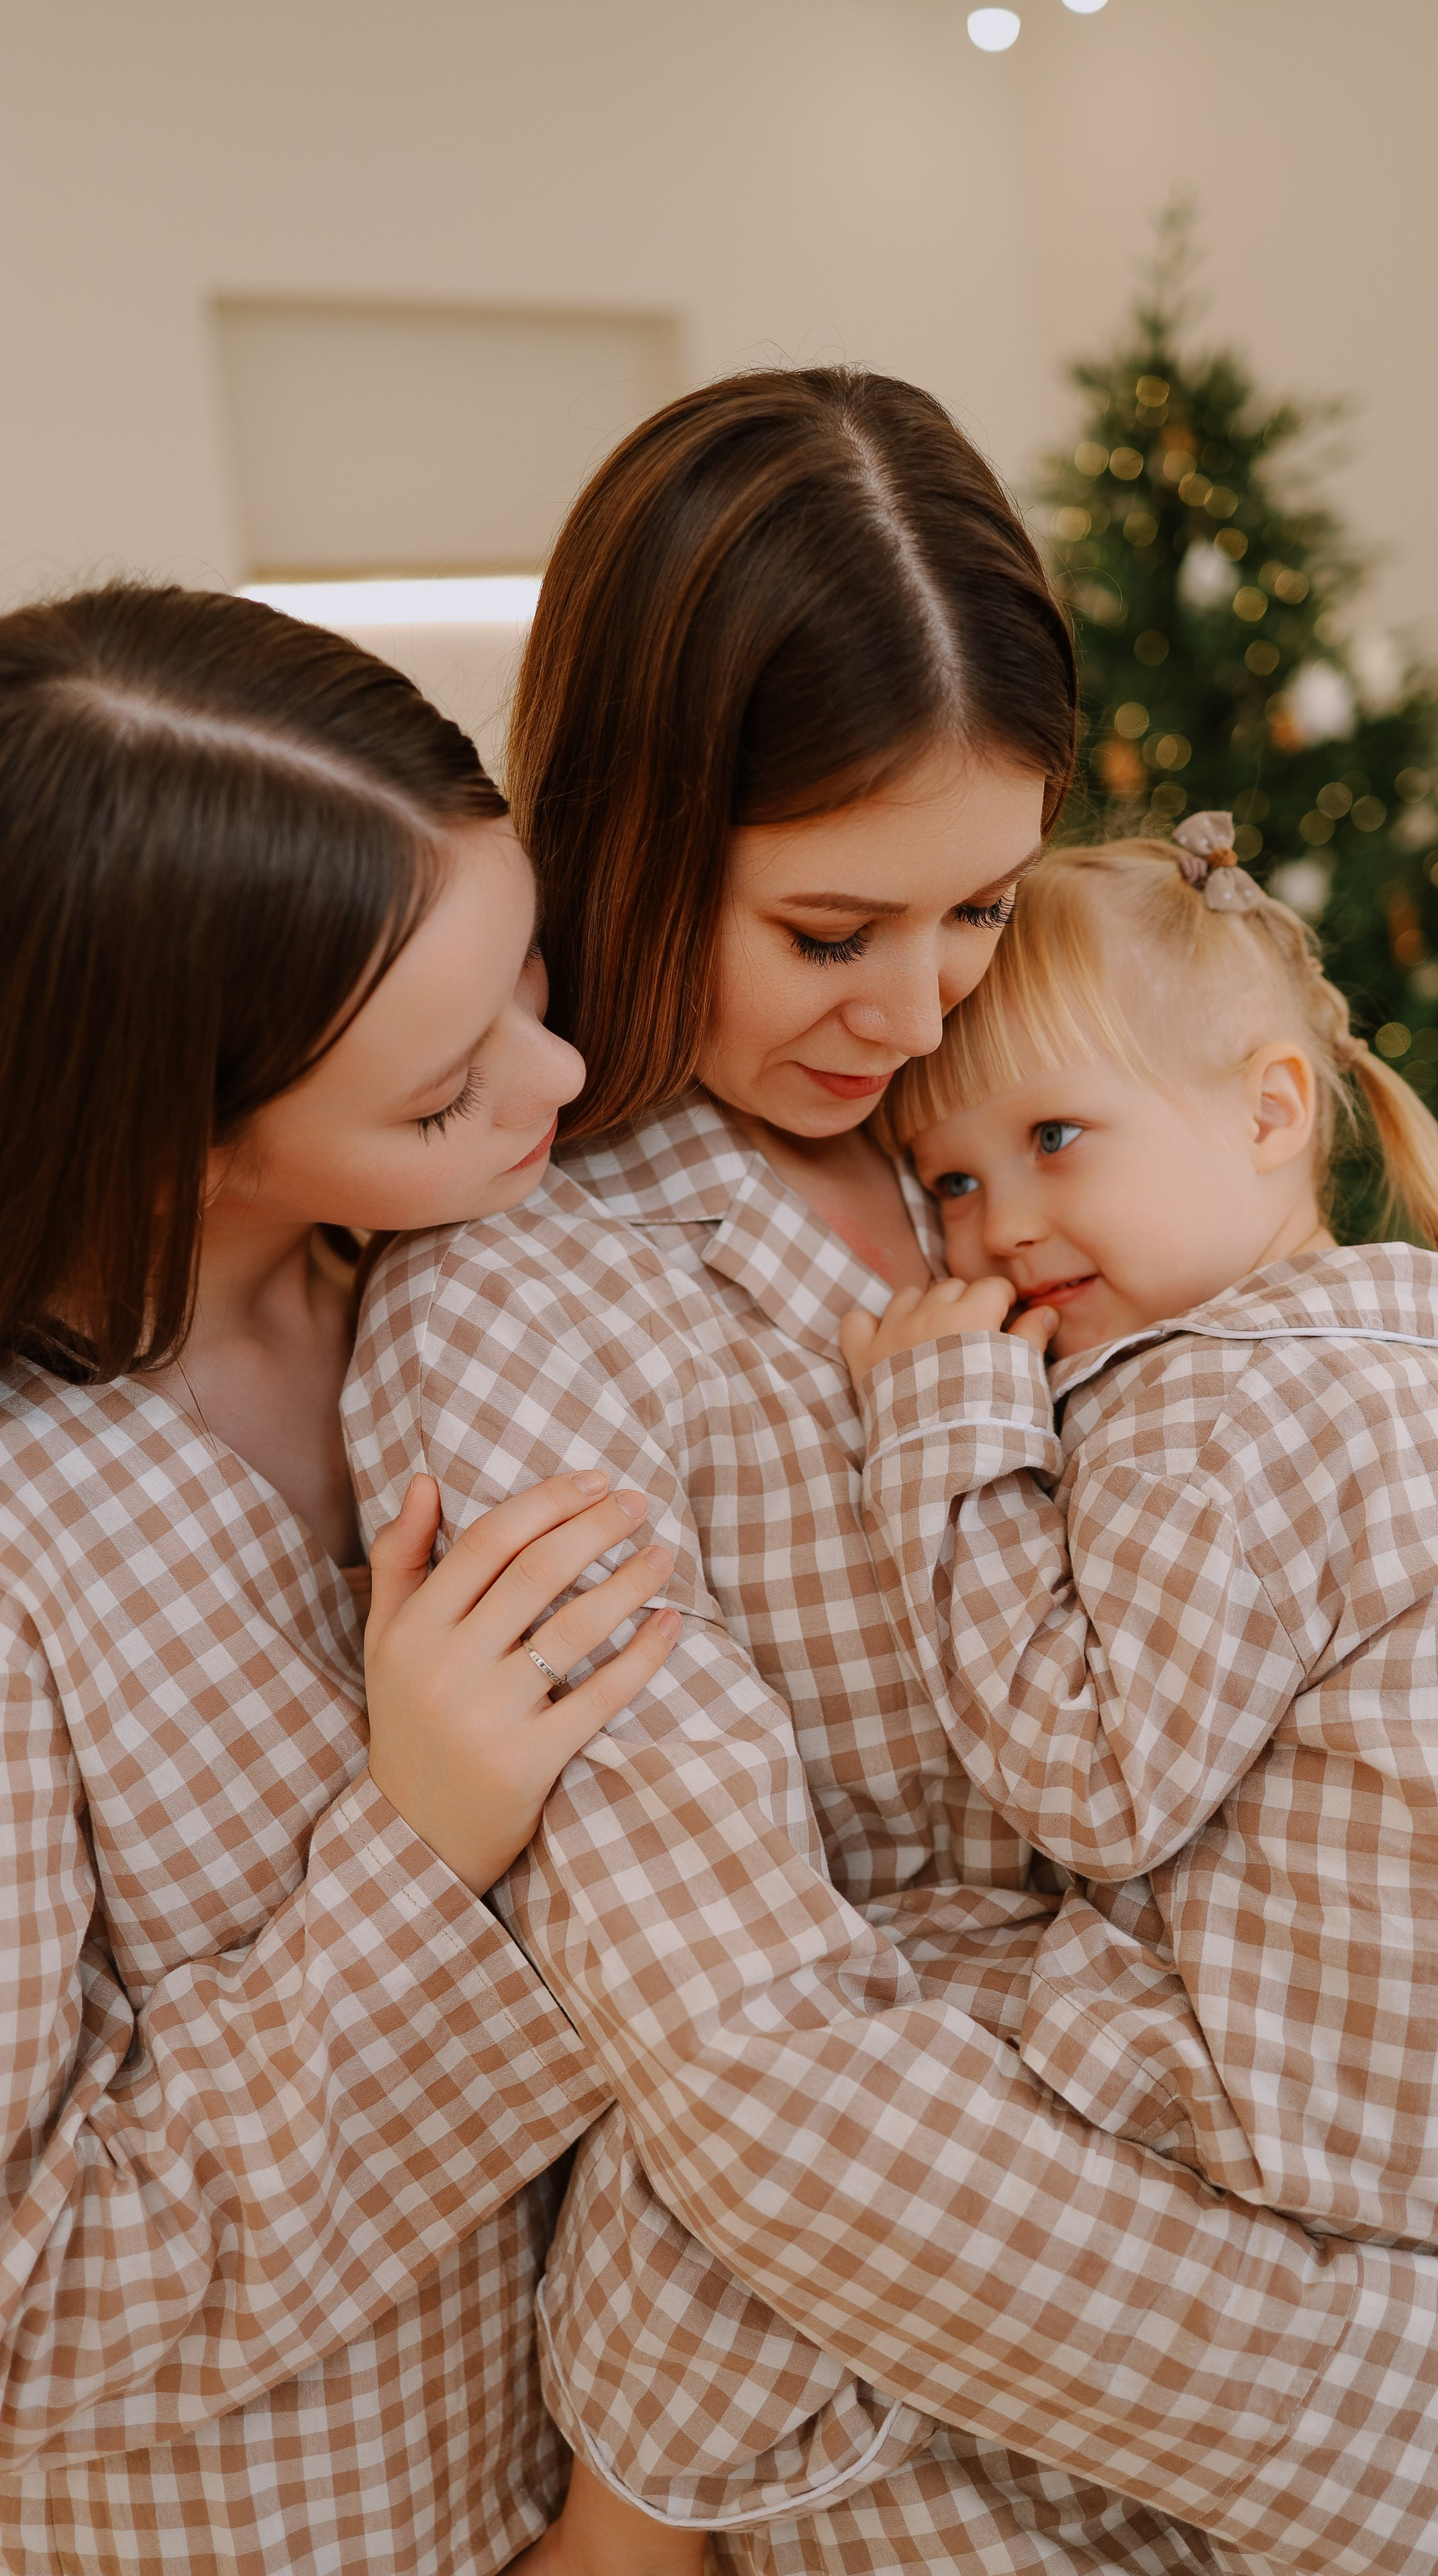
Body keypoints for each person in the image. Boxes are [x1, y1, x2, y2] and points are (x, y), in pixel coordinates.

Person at [344, 370, 1438, 2576]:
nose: (924, 1012)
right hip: (915, 2457)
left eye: (982, 913)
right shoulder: (517, 1318)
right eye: (833, 934)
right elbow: (756, 2073)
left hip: (1291, 2241)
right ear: (636, 838)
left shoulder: (1026, 1148)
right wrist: (1430, 2367)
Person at [0, 583, 678, 2576]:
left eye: (530, 979)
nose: (559, 1084)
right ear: (169, 1134)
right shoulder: (38, 1552)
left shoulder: (469, 1290)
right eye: (443, 1088)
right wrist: (420, 1844)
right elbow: (30, 2319)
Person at [839, 820, 1438, 2259]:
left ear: (1267, 1113)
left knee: (841, 1986)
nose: (999, 1228)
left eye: (1052, 1136)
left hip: (1323, 2093)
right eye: (949, 1182)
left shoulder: (1211, 1416)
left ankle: (633, 2489)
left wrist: (939, 1441)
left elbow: (1096, 1786)